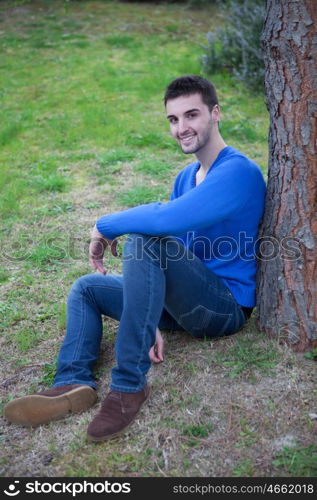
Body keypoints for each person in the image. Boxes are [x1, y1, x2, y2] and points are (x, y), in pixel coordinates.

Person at [4, 75, 266, 441]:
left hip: (223, 308)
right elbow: (172, 244)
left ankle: (128, 385)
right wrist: (146, 315)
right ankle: (71, 382)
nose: (182, 128)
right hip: (184, 302)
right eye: (173, 120)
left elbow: (165, 221)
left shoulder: (238, 171)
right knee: (87, 289)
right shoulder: (187, 176)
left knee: (144, 238)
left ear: (215, 113)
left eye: (192, 115)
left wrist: (105, 225)